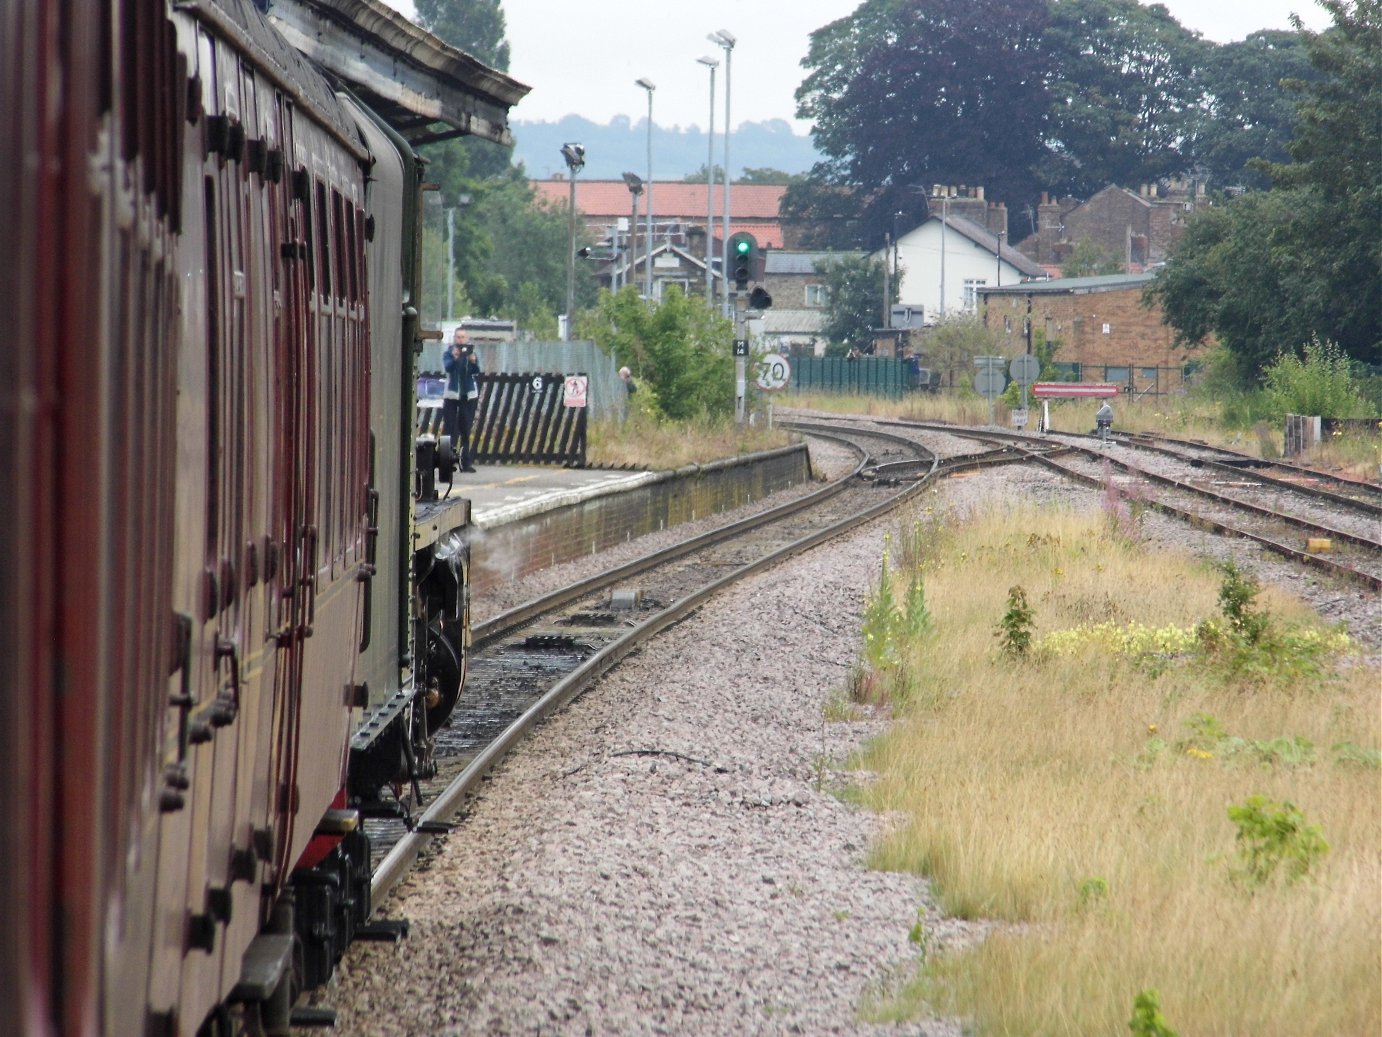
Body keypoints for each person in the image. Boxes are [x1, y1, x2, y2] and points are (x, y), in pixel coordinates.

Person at [442, 327, 481, 472]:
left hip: (468, 395)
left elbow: (476, 371)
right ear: (454, 338)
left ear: (467, 339)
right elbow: (448, 368)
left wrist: (473, 361)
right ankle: (447, 461)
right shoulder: (449, 352)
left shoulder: (471, 353)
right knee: (449, 429)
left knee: (465, 429)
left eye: (463, 337)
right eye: (458, 337)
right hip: (452, 395)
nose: (460, 340)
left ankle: (466, 462)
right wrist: (455, 358)